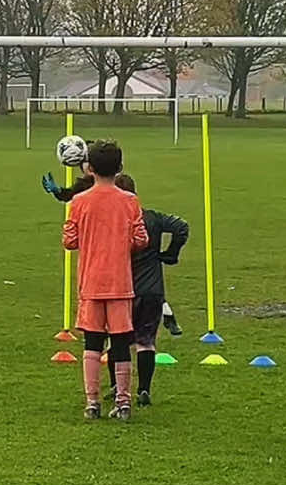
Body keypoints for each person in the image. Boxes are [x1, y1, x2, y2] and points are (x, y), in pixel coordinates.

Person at [43, 148, 183, 336]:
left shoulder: (109, 194)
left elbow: (70, 238)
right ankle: (160, 316)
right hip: (124, 268)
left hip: (106, 268)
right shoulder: (134, 206)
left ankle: (119, 338)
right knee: (141, 302)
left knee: (107, 327)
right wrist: (60, 192)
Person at [62, 139, 148, 421]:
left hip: (91, 283)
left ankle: (92, 402)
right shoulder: (130, 201)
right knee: (122, 343)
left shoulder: (79, 202)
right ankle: (123, 402)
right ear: (120, 167)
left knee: (92, 342)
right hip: (120, 283)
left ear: (89, 169)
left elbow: (69, 240)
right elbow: (140, 239)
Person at [114, 172, 189, 407]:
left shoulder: (115, 222)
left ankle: (117, 387)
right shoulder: (152, 218)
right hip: (153, 290)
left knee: (117, 341)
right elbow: (181, 226)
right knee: (146, 341)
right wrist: (170, 254)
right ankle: (144, 390)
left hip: (122, 289)